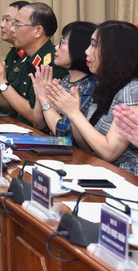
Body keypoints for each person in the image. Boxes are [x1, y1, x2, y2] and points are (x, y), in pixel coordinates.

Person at [44, 20, 138, 174]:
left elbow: (109, 152)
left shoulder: (132, 89)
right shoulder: (103, 83)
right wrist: (74, 115)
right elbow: (86, 146)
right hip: (97, 167)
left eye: (94, 45)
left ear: (113, 51)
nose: (87, 51)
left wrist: (74, 113)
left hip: (124, 176)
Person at [0, 2, 68, 126]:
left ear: (38, 31)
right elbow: (9, 106)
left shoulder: (51, 65)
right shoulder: (24, 58)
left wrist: (1, 83)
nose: (12, 29)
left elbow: (37, 118)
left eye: (17, 24)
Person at [31, 21, 97, 135]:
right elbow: (38, 124)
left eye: (62, 42)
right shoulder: (66, 80)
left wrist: (44, 99)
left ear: (79, 48)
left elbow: (64, 133)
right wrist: (39, 95)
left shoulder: (89, 86)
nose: (56, 47)